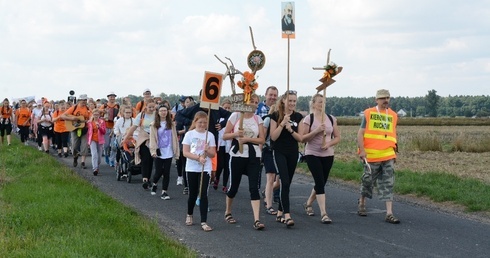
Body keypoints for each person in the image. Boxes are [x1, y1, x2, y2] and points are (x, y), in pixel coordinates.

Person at [222, 94, 266, 230]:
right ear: (246, 102)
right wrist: (236, 135)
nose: (255, 104)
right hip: (237, 155)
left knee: (254, 187)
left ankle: (257, 220)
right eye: (252, 101)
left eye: (256, 102)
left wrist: (247, 139)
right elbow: (225, 135)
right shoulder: (236, 116)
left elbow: (262, 140)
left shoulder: (258, 119)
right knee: (234, 186)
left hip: (253, 156)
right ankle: (228, 212)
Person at [357, 89, 400, 224]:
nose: (385, 100)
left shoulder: (393, 115)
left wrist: (394, 151)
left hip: (388, 154)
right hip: (371, 155)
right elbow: (360, 133)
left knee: (388, 182)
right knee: (368, 180)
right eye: (382, 98)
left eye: (387, 97)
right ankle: (362, 201)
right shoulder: (369, 113)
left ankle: (389, 213)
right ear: (376, 100)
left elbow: (392, 133)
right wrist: (362, 151)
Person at [299, 93, 341, 224]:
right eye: (319, 102)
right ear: (313, 104)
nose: (321, 105)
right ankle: (324, 213)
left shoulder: (331, 118)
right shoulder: (308, 119)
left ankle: (308, 204)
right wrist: (316, 130)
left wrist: (328, 144)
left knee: (321, 182)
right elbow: (303, 138)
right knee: (319, 180)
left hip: (327, 154)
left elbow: (338, 137)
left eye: (323, 102)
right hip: (312, 153)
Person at [269, 90, 303, 227]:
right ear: (283, 101)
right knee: (285, 181)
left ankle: (279, 212)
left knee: (287, 182)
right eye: (290, 101)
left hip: (293, 152)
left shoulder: (299, 117)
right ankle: (287, 215)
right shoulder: (275, 116)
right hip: (279, 151)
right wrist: (282, 123)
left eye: (294, 101)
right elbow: (273, 137)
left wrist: (290, 129)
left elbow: (300, 138)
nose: (292, 103)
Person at [182, 111, 216, 232]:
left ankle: (204, 221)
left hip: (205, 168)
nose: (202, 125)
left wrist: (207, 151)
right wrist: (198, 158)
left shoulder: (210, 135)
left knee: (203, 194)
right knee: (193, 193)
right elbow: (185, 152)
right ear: (195, 122)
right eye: (200, 122)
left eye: (205, 123)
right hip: (192, 167)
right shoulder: (189, 135)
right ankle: (189, 214)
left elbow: (213, 154)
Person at [255, 86, 280, 213]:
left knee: (278, 178)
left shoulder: (281, 117)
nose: (273, 97)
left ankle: (270, 194)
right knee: (268, 175)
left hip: (278, 150)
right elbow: (262, 135)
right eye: (271, 95)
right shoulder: (259, 109)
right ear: (266, 94)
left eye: (275, 95)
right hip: (265, 147)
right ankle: (266, 202)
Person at [124, 98, 156, 189]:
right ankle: (145, 179)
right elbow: (133, 127)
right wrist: (126, 138)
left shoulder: (156, 115)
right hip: (143, 138)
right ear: (146, 107)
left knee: (151, 159)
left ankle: (148, 178)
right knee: (145, 158)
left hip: (153, 139)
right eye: (149, 107)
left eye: (153, 107)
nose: (151, 109)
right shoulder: (141, 115)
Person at [149, 104, 180, 199]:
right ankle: (154, 184)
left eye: (165, 111)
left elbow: (175, 137)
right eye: (161, 110)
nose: (163, 112)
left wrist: (177, 152)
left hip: (169, 151)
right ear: (158, 112)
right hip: (159, 151)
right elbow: (152, 139)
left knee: (167, 172)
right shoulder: (154, 124)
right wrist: (153, 151)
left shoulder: (171, 124)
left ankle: (164, 192)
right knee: (158, 171)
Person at [61, 94, 92, 169]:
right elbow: (63, 116)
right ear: (79, 100)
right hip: (75, 128)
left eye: (85, 100)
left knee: (84, 146)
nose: (84, 102)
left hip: (84, 129)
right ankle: (75, 157)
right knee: (74, 145)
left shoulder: (87, 109)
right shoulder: (74, 108)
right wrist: (73, 118)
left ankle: (83, 162)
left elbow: (91, 117)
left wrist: (90, 120)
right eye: (83, 100)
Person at [261, 104, 280, 215]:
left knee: (279, 181)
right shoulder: (268, 119)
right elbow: (263, 136)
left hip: (278, 151)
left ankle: (266, 193)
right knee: (271, 177)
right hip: (268, 150)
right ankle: (269, 205)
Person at [213, 98, 232, 193]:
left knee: (227, 166)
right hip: (221, 144)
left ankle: (225, 184)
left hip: (229, 144)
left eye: (229, 108)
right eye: (225, 108)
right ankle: (217, 178)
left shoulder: (231, 119)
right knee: (220, 164)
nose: (227, 110)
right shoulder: (219, 119)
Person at [100, 91, 120, 167]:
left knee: (114, 146)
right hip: (105, 127)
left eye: (113, 96)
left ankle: (112, 160)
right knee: (106, 146)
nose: (112, 98)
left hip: (114, 127)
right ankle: (106, 155)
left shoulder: (117, 106)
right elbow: (98, 113)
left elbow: (120, 113)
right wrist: (103, 113)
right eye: (111, 96)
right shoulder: (104, 106)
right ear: (108, 97)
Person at [87, 109, 106, 176]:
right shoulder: (89, 122)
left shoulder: (102, 122)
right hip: (92, 140)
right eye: (94, 114)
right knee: (94, 154)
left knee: (99, 157)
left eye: (97, 114)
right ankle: (95, 168)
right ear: (93, 114)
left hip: (100, 140)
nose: (96, 116)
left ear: (99, 115)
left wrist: (99, 127)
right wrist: (88, 141)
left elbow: (104, 132)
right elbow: (88, 133)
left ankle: (97, 165)